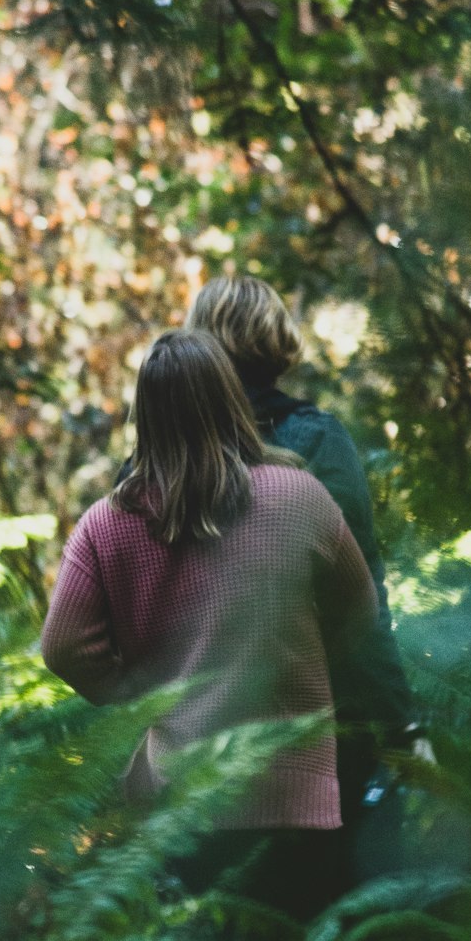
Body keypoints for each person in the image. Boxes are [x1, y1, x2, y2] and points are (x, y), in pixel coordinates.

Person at [41, 329, 379, 927]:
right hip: (294, 787)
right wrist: (302, 659)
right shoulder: (301, 497)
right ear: (231, 401)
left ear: (145, 416)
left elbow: (63, 646)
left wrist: (139, 696)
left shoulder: (104, 525)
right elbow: (361, 610)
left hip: (181, 798)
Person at [186, 277, 433, 870]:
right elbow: (360, 601)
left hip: (193, 745)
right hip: (319, 734)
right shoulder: (319, 442)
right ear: (276, 344)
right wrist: (402, 725)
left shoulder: (159, 458)